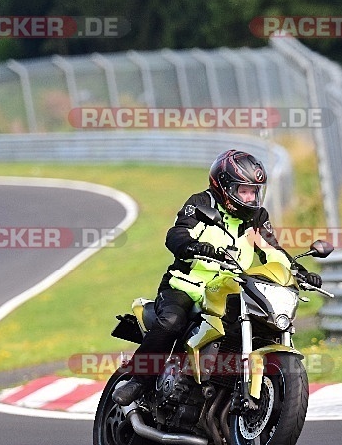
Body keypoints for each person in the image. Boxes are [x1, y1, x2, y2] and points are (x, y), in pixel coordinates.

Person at [112, 149, 322, 405]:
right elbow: (177, 233)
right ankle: (137, 380)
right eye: (243, 190)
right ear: (224, 186)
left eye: (254, 191)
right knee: (171, 321)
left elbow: (271, 251)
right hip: (186, 287)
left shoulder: (257, 217)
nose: (250, 197)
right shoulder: (202, 203)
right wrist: (193, 246)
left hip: (228, 288)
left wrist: (298, 272)